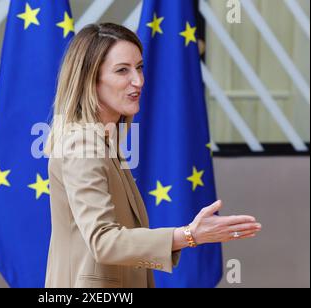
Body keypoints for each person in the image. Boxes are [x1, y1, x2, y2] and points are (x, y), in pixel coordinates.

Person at [44, 23, 261, 288]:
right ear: (90, 79)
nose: (138, 81)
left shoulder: (104, 140)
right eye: (122, 70)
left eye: (139, 67)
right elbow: (103, 242)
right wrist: (189, 236)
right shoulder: (82, 144)